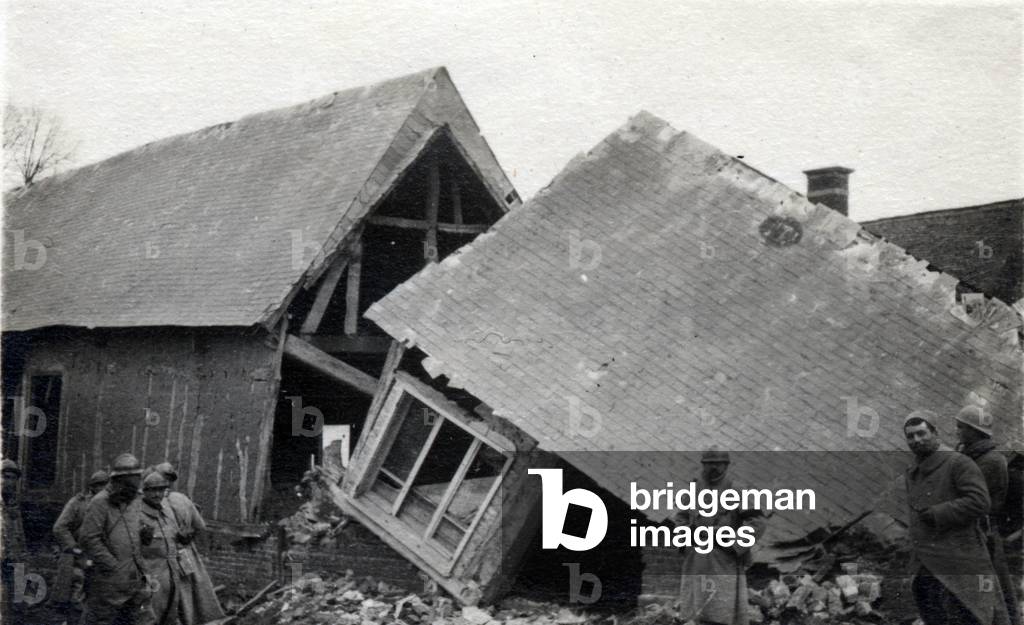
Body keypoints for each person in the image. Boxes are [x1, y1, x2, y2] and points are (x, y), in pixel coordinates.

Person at [904, 414, 1001, 625]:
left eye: (922, 433)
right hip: (927, 559)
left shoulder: (958, 463)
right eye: (911, 437)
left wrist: (939, 513)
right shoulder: (913, 472)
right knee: (932, 612)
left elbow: (979, 502)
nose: (917, 440)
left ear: (935, 434)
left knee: (967, 612)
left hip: (957, 556)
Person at [674, 449, 763, 625]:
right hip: (697, 557)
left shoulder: (737, 490)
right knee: (695, 608)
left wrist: (735, 544)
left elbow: (758, 523)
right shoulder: (692, 489)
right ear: (703, 465)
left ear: (726, 465)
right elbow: (680, 517)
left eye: (718, 463)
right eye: (709, 463)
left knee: (722, 608)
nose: (713, 467)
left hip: (724, 557)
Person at [956, 406, 1019, 625]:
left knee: (992, 590)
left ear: (976, 431)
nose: (958, 432)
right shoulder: (970, 455)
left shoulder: (991, 461)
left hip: (984, 535)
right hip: (970, 532)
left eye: (962, 428)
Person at [78, 453, 157, 625]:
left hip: (135, 575)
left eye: (138, 479)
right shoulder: (100, 502)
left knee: (143, 619)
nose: (138, 486)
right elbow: (88, 538)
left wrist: (144, 533)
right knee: (103, 619)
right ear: (120, 480)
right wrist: (112, 565)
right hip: (108, 581)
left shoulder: (134, 499)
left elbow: (131, 532)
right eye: (134, 480)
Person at [152, 462, 224, 623]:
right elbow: (200, 526)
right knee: (193, 591)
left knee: (167, 594)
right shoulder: (182, 499)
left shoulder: (152, 501)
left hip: (165, 556)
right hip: (187, 553)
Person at [52, 470, 110, 607]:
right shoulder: (78, 503)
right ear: (92, 487)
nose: (103, 489)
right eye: (99, 485)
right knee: (75, 597)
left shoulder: (109, 506)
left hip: (99, 559)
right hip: (78, 558)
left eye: (106, 486)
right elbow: (60, 528)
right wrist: (75, 549)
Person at [139, 471, 187, 625]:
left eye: (161, 490)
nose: (157, 494)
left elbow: (174, 543)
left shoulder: (166, 514)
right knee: (147, 620)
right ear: (144, 491)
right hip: (150, 581)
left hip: (171, 579)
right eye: (152, 490)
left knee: (169, 618)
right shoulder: (137, 515)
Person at [1, 459, 28, 619]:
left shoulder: (13, 504)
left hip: (14, 557)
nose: (9, 482)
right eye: (5, 477)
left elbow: (19, 534)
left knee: (19, 603)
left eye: (13, 478)